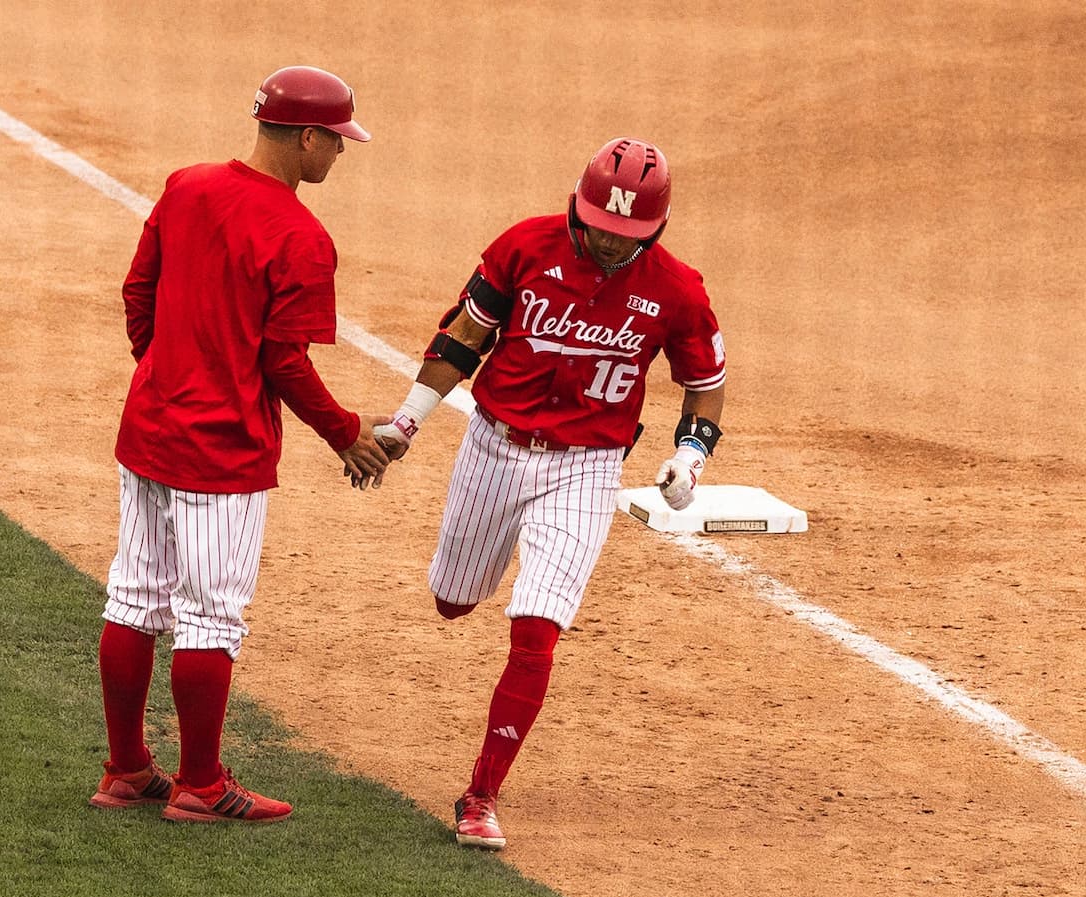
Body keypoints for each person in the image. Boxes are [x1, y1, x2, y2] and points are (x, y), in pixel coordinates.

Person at [373, 137, 727, 849]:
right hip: (493, 446)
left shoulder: (678, 289)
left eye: (626, 232)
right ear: (577, 207)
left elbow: (705, 383)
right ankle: (466, 586)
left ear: (656, 227)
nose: (609, 241)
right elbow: (461, 340)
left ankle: (481, 794)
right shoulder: (524, 248)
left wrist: (690, 458)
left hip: (586, 466)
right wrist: (406, 422)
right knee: (453, 600)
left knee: (537, 627)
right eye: (599, 225)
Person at [90, 65, 390, 825]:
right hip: (221, 452)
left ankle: (126, 770)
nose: (342, 153)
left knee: (134, 596)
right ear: (308, 137)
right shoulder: (301, 237)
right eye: (338, 140)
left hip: (149, 427)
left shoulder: (187, 185)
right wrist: (345, 431)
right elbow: (283, 360)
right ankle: (200, 785)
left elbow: (137, 293)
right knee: (211, 615)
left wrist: (163, 372)